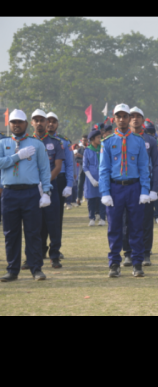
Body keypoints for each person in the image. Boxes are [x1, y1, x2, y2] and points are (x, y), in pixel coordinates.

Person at [99, 104, 151, 278]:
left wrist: (145, 190)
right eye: (118, 116)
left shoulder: (138, 141)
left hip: (134, 187)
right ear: (114, 119)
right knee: (114, 227)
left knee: (136, 226)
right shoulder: (107, 142)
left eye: (125, 116)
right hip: (115, 188)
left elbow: (144, 167)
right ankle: (114, 263)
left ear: (129, 118)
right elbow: (104, 169)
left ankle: (137, 262)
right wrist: (105, 192)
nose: (122, 119)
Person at [0, 109, 50, 282]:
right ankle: (13, 270)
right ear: (9, 124)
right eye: (13, 122)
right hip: (9, 192)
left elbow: (44, 169)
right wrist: (17, 157)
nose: (16, 125)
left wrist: (47, 192)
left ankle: (36, 268)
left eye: (20, 122)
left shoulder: (36, 144)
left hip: (30, 192)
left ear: (26, 124)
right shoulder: (3, 143)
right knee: (10, 233)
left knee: (33, 232)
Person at [124, 107, 158, 266]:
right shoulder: (123, 139)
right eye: (132, 116)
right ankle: (128, 253)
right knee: (127, 221)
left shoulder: (150, 140)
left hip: (146, 185)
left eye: (139, 116)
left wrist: (154, 189)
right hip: (129, 185)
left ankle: (146, 253)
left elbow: (157, 165)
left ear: (143, 119)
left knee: (146, 221)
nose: (135, 119)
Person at [31, 109, 65, 269]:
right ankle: (32, 256)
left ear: (46, 122)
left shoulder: (56, 142)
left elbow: (57, 167)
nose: (39, 123)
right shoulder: (26, 142)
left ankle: (54, 255)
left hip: (51, 187)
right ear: (31, 123)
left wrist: (43, 183)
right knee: (33, 224)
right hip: (30, 188)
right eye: (35, 120)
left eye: (42, 120)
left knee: (53, 222)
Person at [46, 112, 74, 244]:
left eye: (54, 121)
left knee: (57, 216)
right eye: (48, 121)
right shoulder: (36, 140)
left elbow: (69, 164)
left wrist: (69, 184)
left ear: (57, 124)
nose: (50, 123)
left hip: (59, 179)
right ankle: (40, 248)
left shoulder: (64, 141)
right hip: (39, 181)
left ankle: (55, 247)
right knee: (40, 216)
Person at [83, 128, 106, 226]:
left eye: (100, 137)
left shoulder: (103, 149)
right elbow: (84, 166)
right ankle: (91, 218)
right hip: (90, 178)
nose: (99, 139)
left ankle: (102, 218)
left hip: (102, 176)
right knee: (91, 199)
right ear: (92, 139)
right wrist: (91, 179)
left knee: (102, 198)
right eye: (98, 138)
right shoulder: (87, 150)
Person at [76, 134, 89, 204]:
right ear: (82, 140)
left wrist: (82, 157)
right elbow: (77, 159)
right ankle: (79, 198)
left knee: (89, 184)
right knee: (80, 184)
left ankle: (88, 198)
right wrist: (83, 160)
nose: (84, 141)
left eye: (85, 140)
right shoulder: (80, 149)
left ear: (88, 140)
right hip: (82, 169)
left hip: (89, 170)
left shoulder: (90, 148)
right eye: (83, 140)